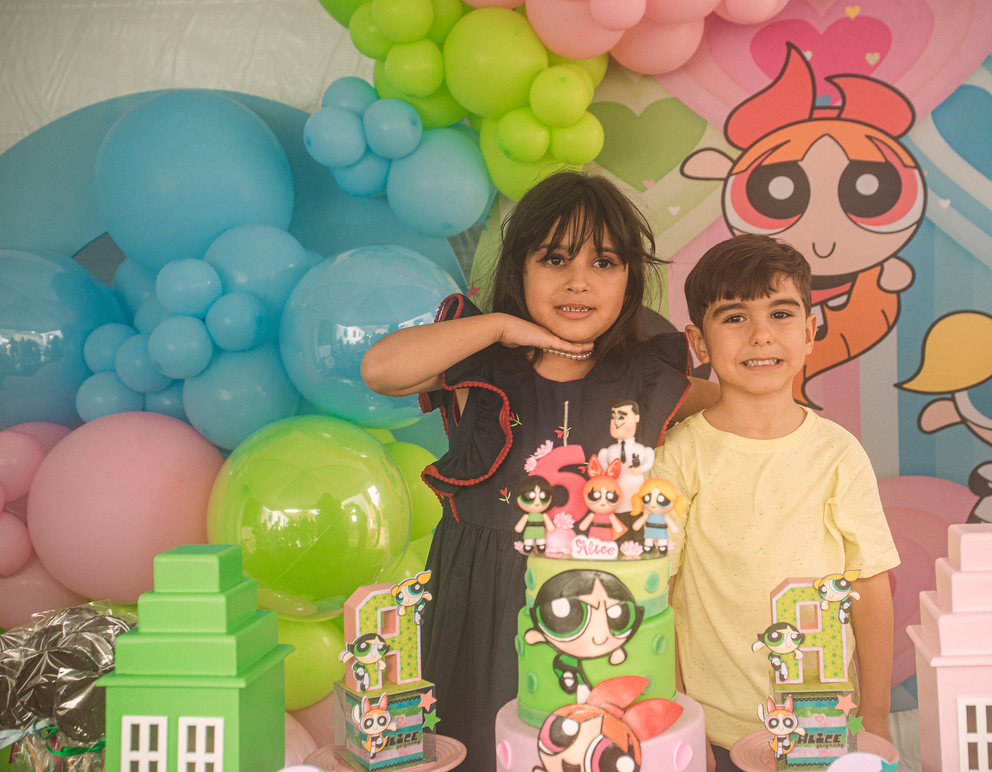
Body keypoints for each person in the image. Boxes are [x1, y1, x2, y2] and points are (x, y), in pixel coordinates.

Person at [359, 171, 718, 771]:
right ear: (519, 268)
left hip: (597, 613)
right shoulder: (481, 360)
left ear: (630, 278)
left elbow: (737, 408)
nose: (579, 280)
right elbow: (380, 370)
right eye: (554, 259)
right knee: (477, 748)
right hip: (478, 601)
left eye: (604, 262)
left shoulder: (646, 375)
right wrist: (501, 326)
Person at [653, 235, 900, 772]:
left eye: (781, 314)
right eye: (734, 317)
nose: (761, 335)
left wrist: (877, 717)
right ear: (699, 343)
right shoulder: (678, 456)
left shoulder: (839, 454)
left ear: (808, 332)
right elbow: (658, 594)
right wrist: (680, 717)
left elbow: (870, 586)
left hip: (823, 727)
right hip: (714, 732)